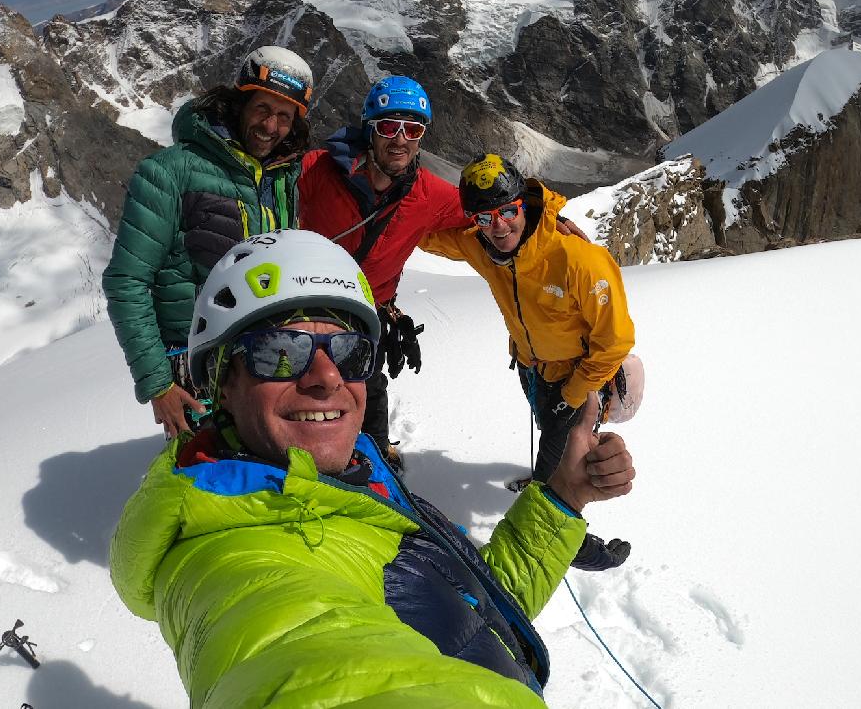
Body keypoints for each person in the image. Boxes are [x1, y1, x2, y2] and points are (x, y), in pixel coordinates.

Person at [110, 230, 635, 707]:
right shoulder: (234, 558)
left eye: (349, 352)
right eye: (280, 352)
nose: (325, 377)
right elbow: (315, 664)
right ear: (224, 382)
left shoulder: (345, 489)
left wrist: (563, 497)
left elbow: (467, 616)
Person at [420, 153, 637, 570]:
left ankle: (580, 546)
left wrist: (574, 394)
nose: (499, 226)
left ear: (524, 203)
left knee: (562, 464)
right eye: (485, 217)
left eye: (507, 211)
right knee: (549, 434)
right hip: (532, 368)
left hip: (579, 376)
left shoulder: (578, 260)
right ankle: (547, 473)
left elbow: (615, 341)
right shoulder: (481, 246)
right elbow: (430, 236)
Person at [103, 46, 313, 439]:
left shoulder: (282, 176)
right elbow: (127, 281)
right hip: (196, 368)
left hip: (268, 357)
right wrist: (158, 385)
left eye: (284, 117)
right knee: (205, 482)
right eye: (262, 109)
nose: (271, 126)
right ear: (239, 103)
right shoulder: (168, 172)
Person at [298, 76, 471, 470]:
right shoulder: (317, 171)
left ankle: (373, 460)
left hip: (367, 309)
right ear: (370, 129)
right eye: (389, 127)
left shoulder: (428, 194)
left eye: (412, 129)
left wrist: (550, 213)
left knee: (369, 384)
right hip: (309, 307)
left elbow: (486, 205)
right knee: (308, 385)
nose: (400, 140)